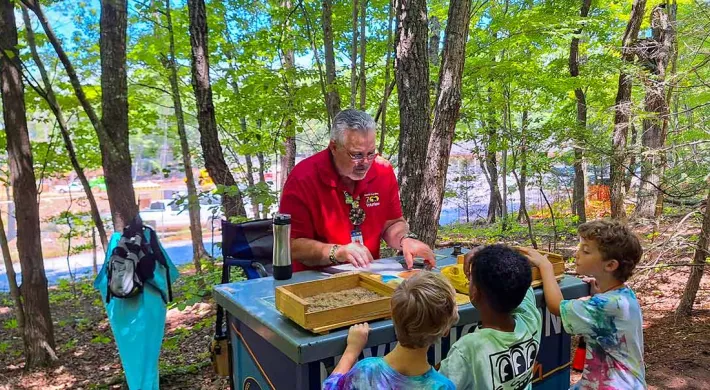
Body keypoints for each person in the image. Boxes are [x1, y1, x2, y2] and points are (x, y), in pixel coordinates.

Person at [279, 109, 434, 272]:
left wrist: (405, 239)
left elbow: (392, 224)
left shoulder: (382, 170)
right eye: (356, 154)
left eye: (371, 153)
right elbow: (291, 245)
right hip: (313, 279)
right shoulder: (303, 177)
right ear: (334, 147)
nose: (365, 162)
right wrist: (337, 252)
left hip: (368, 275)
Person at [520, 219, 646, 389]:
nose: (577, 254)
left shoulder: (604, 305)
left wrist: (545, 267)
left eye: (586, 251)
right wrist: (599, 292)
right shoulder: (624, 296)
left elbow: (557, 307)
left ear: (610, 265)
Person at [322, 272, 459, 390]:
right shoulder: (441, 387)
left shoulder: (366, 371)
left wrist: (351, 350)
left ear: (393, 314)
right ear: (445, 330)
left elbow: (330, 387)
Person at [439, 245, 542, 390]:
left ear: (475, 292)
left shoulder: (468, 349)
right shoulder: (531, 319)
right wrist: (485, 253)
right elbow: (516, 272)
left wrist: (481, 251)